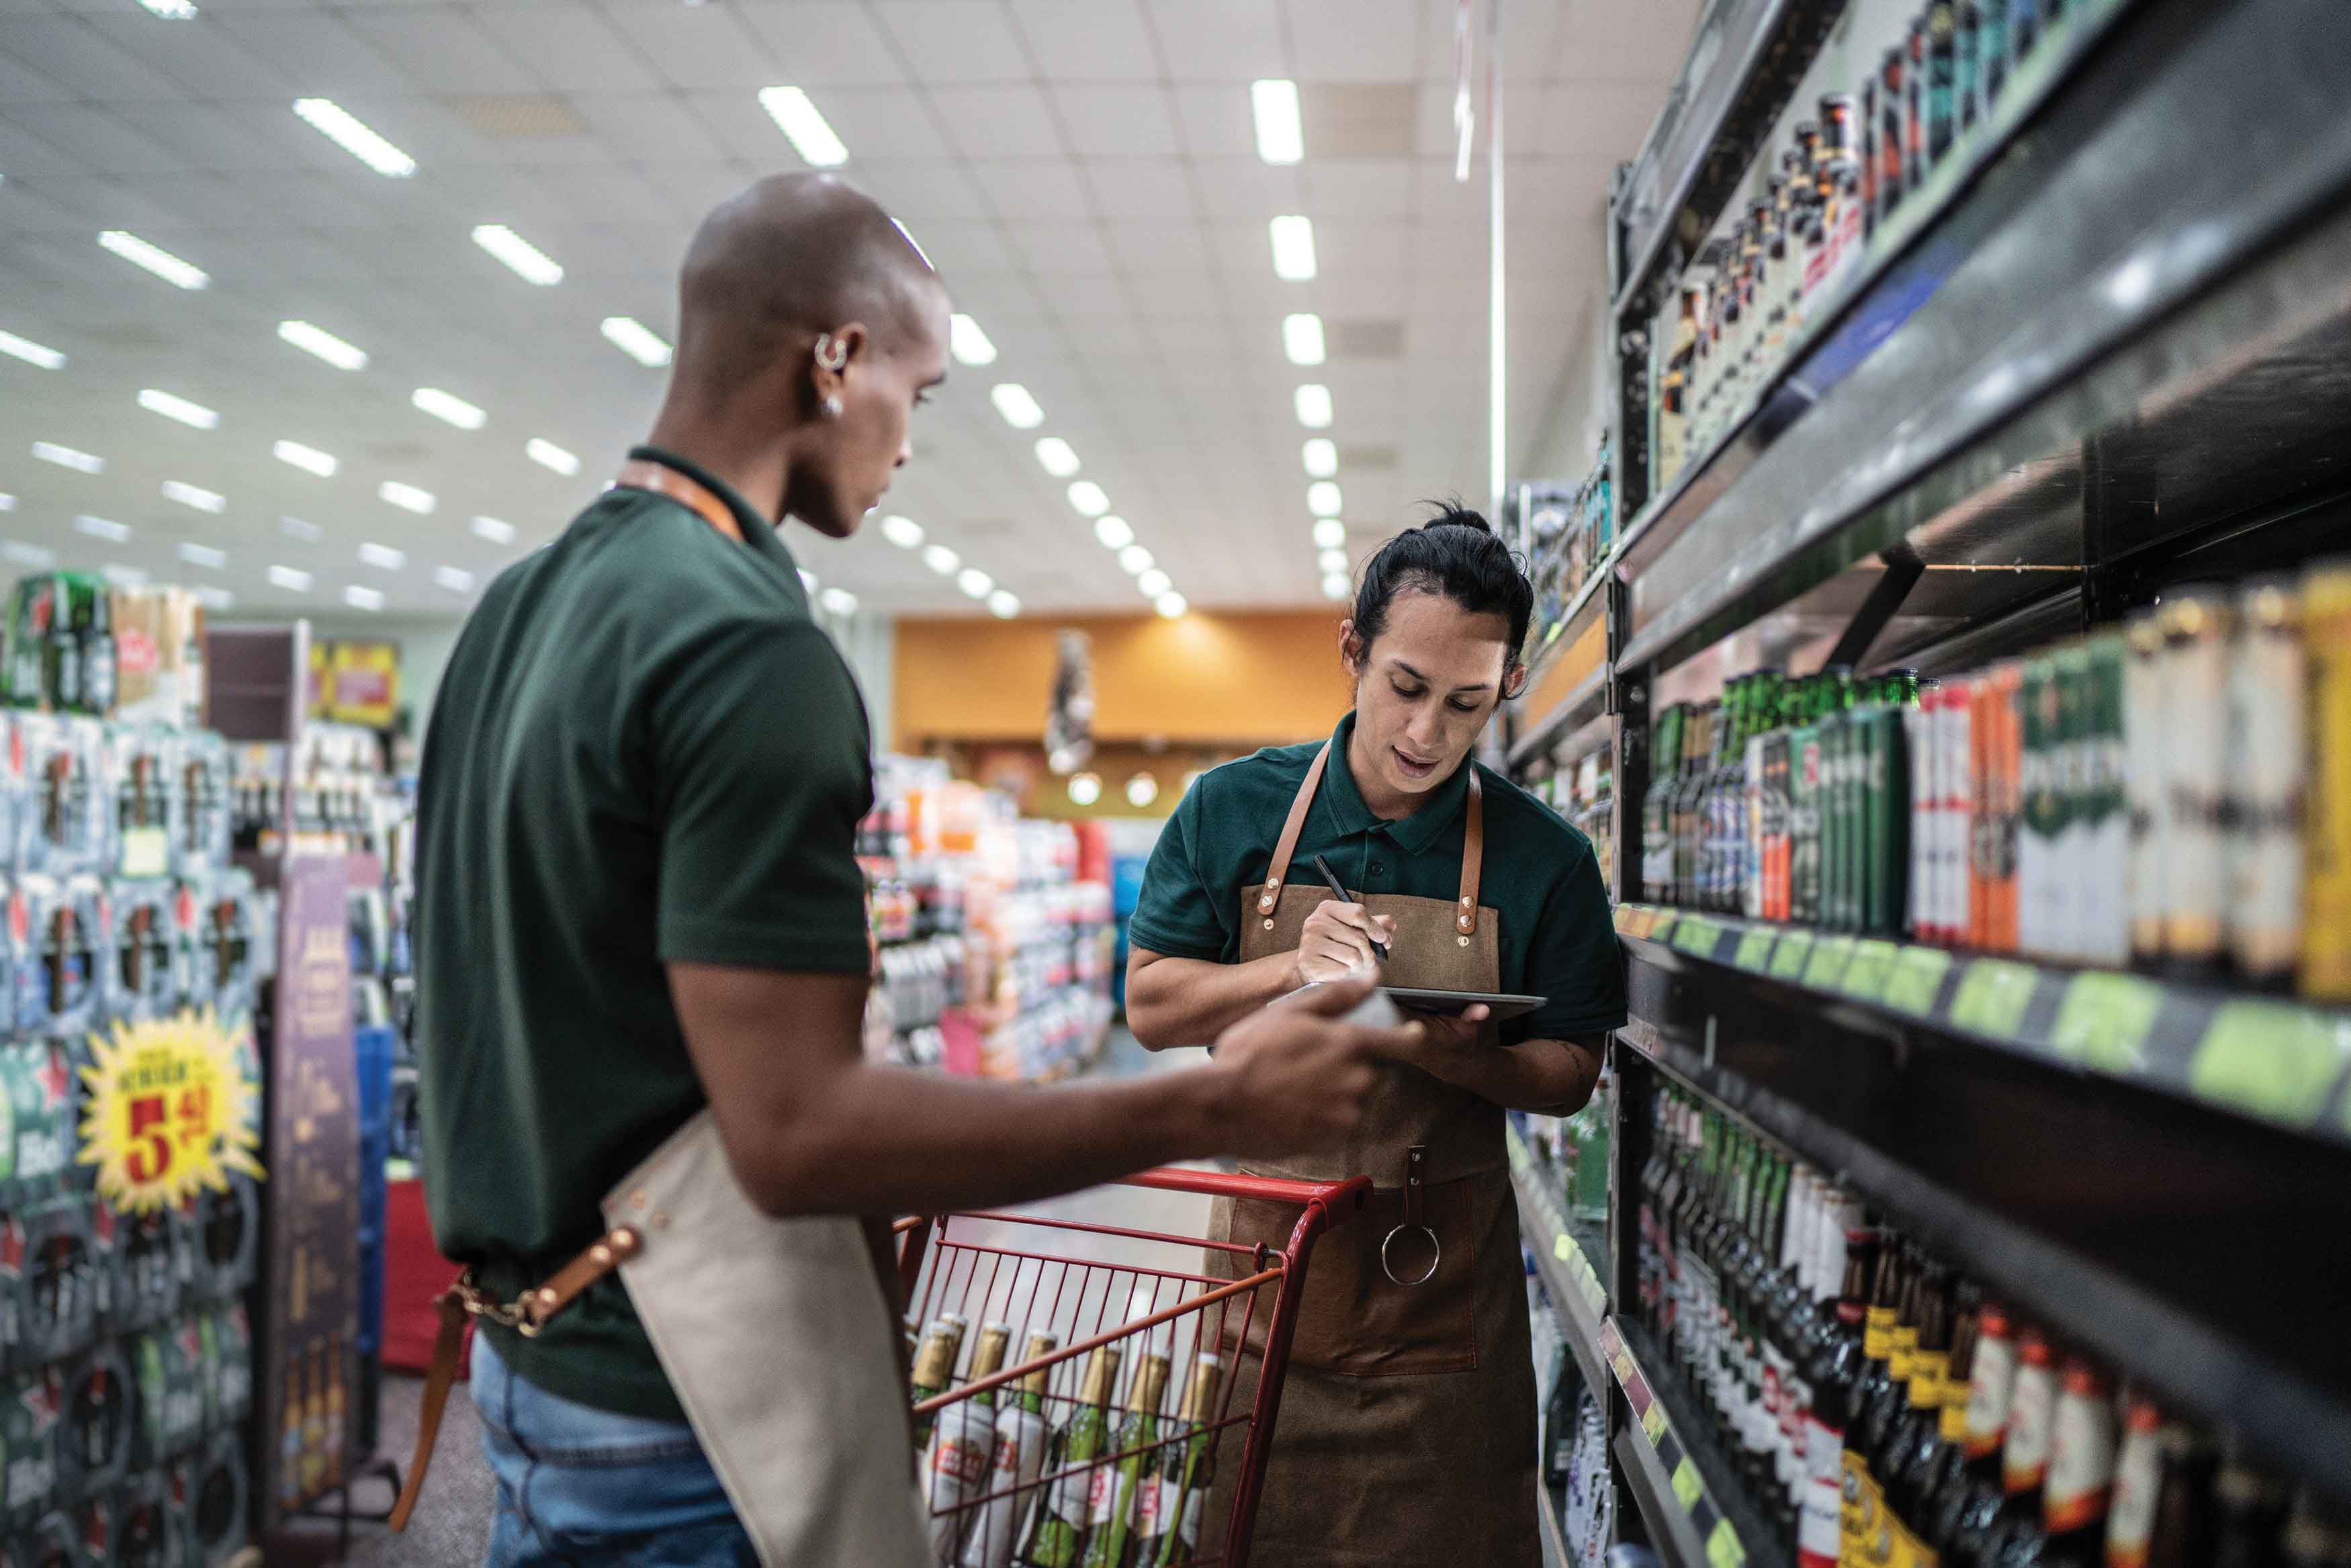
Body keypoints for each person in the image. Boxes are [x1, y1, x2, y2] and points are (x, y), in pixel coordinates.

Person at [402, 171, 1422, 1567]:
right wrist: (1213, 1101)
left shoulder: (518, 608)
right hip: (684, 1400)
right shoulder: (747, 645)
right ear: (835, 359)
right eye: (916, 391)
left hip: (527, 1360)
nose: (907, 442)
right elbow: (800, 1134)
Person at [1125, 506, 1627, 1566]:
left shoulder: (1548, 860)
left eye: (1466, 702)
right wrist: (1286, 968)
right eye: (1406, 685)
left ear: (1509, 685)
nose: (1427, 733)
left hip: (1443, 1314)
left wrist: (1469, 1060)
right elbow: (1153, 1003)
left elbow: (1574, 1070)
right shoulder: (1231, 810)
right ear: (1352, 650)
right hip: (1263, 1291)